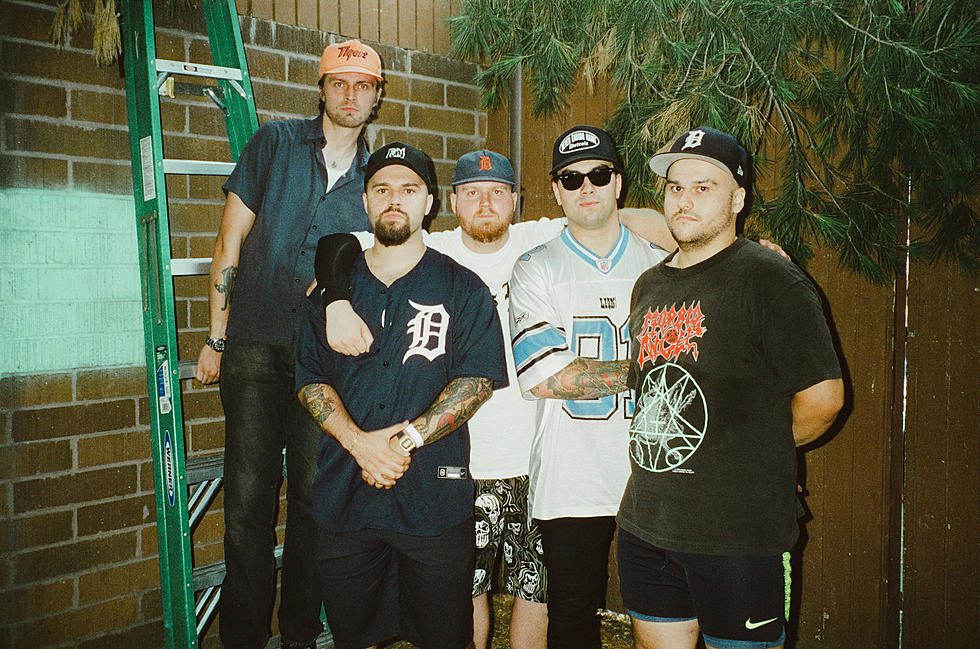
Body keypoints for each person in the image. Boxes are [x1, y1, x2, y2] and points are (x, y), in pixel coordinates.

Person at [318, 149, 677, 649]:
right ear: (450, 203)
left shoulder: (541, 239)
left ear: (515, 200)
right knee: (468, 590)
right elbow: (337, 245)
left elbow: (635, 219)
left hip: (537, 460)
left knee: (537, 589)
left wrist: (739, 248)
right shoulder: (427, 247)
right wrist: (335, 300)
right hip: (462, 462)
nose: (485, 204)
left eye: (497, 193)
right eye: (471, 193)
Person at [620, 126, 844, 649]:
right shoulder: (650, 284)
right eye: (676, 187)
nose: (685, 200)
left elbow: (824, 399)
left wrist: (756, 450)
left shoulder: (771, 279)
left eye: (704, 187)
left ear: (738, 199)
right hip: (647, 527)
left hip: (740, 536)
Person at [193, 38, 385, 649]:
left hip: (320, 364)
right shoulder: (273, 145)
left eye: (363, 85)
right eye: (339, 83)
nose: (350, 95)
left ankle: (299, 634)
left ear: (376, 98)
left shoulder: (377, 180)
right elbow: (228, 242)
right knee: (248, 504)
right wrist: (216, 337)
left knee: (311, 501)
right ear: (322, 89)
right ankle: (244, 638)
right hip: (251, 347)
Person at [295, 141, 508, 649]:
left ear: (429, 202)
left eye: (409, 190)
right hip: (345, 495)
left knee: (444, 637)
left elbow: (476, 383)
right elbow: (309, 379)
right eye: (382, 189)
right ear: (365, 201)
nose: (395, 199)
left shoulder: (463, 287)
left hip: (433, 499)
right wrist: (358, 443)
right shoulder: (330, 293)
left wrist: (401, 443)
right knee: (354, 636)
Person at [507, 126, 671, 649]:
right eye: (571, 178)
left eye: (599, 174)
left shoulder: (663, 263)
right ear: (556, 191)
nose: (587, 187)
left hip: (657, 469)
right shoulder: (534, 267)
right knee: (573, 616)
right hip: (572, 475)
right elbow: (548, 378)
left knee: (667, 614)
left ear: (618, 183)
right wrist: (650, 368)